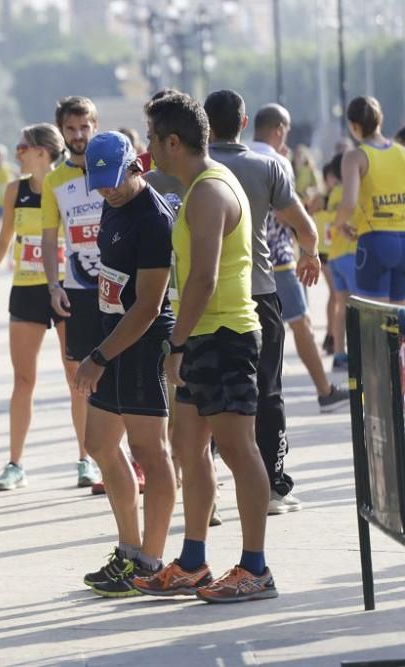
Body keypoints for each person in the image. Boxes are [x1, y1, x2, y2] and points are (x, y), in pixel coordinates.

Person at [133, 92, 277, 603]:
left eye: (151, 138)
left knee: (238, 450)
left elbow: (204, 279)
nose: (148, 149)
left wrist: (176, 344)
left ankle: (256, 568)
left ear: (174, 141)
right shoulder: (195, 188)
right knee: (187, 448)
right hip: (202, 336)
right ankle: (193, 561)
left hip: (225, 335)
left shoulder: (210, 192)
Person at [203, 93, 323, 516]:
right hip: (259, 289)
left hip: (204, 293)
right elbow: (305, 228)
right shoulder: (266, 166)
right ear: (244, 121)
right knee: (267, 389)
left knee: (207, 391)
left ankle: (209, 491)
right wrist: (310, 253)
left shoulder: (191, 169)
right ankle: (273, 486)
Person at [72, 131, 178, 598]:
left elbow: (149, 306)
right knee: (99, 442)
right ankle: (129, 548)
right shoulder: (112, 202)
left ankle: (151, 561)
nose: (106, 190)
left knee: (150, 453)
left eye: (113, 180)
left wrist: (98, 357)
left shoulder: (154, 218)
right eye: (98, 183)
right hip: (112, 335)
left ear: (136, 165)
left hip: (139, 342)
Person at [0, 124, 76, 492]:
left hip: (67, 289)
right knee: (23, 380)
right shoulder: (16, 189)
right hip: (27, 288)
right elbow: (2, 240)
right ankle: (15, 464)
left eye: (22, 147)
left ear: (42, 152)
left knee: (77, 378)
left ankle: (87, 459)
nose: (16, 153)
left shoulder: (68, 185)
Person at [246, 109, 349, 419]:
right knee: (301, 324)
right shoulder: (277, 163)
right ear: (278, 130)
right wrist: (308, 249)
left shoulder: (244, 156)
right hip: (277, 257)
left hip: (245, 259)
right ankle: (324, 392)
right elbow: (287, 213)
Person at [40, 96, 105, 489]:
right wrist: (53, 286)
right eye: (71, 129)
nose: (78, 136)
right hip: (78, 290)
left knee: (124, 375)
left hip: (121, 290)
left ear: (95, 127)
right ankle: (88, 459)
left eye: (85, 128)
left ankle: (135, 459)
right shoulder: (53, 180)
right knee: (82, 380)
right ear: (62, 132)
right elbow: (50, 239)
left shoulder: (114, 169)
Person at [334, 96, 405, 305]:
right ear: (380, 119)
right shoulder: (402, 152)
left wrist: (339, 225)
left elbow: (348, 203)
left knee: (376, 322)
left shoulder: (355, 156)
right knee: (401, 321)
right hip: (403, 235)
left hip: (376, 239)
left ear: (354, 126)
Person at [317, 155, 354, 370]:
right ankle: (361, 351)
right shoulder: (349, 193)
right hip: (352, 255)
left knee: (341, 306)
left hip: (336, 256)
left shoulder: (333, 195)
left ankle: (340, 353)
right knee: (360, 307)